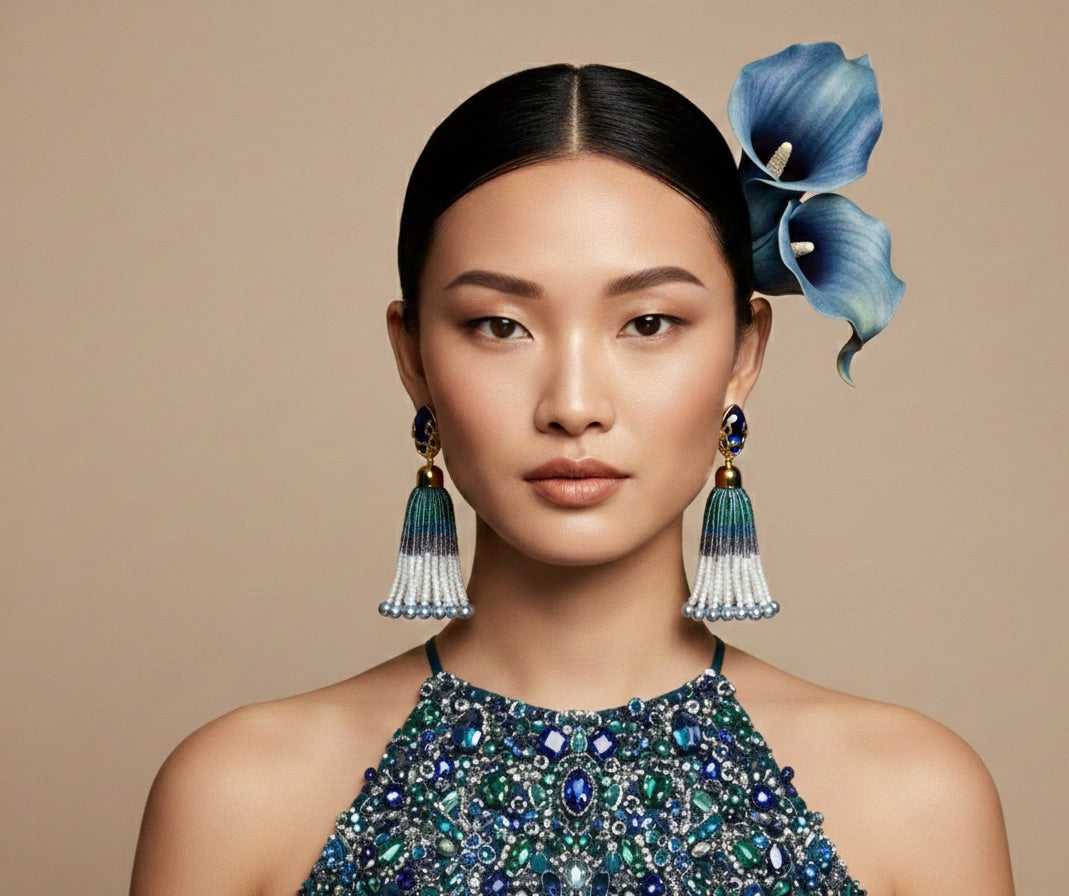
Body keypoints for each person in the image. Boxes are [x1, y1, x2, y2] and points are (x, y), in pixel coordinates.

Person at [130, 50, 1015, 896]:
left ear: (744, 351)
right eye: (500, 326)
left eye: (648, 322)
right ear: (412, 357)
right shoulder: (238, 798)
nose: (574, 403)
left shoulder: (914, 801)